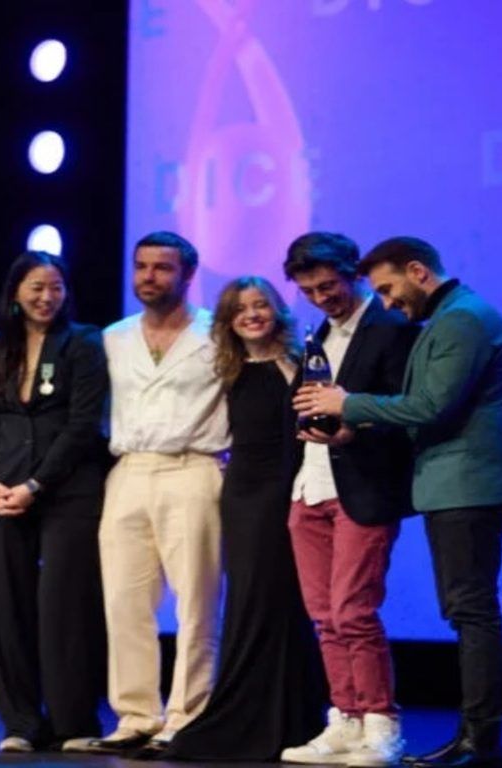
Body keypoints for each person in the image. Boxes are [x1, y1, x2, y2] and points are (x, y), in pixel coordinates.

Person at [295, 236, 502, 768]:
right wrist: (351, 428)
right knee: (466, 609)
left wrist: (349, 403)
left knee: (471, 610)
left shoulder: (463, 320)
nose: (386, 302)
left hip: (470, 481)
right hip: (453, 483)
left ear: (418, 271)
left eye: (387, 289)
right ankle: (474, 738)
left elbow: (430, 406)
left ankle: (481, 742)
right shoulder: (450, 317)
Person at [158, 276, 326, 762]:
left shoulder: (304, 361)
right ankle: (246, 717)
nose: (252, 315)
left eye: (260, 305)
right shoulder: (227, 371)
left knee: (290, 603)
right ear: (229, 321)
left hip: (297, 489)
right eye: (240, 309)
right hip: (250, 497)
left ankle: (296, 718)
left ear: (277, 309)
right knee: (254, 599)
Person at [278, 232, 419, 766]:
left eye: (328, 286)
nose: (321, 298)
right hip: (310, 487)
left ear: (353, 274)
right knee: (324, 616)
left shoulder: (391, 328)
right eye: (309, 291)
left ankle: (381, 724)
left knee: (354, 611)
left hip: (363, 487)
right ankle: (345, 718)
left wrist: (353, 430)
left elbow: (407, 410)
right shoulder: (320, 333)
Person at [90, 231, 229, 758]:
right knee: (124, 600)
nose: (149, 277)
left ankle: (187, 715)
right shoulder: (114, 336)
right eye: (142, 266)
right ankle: (135, 715)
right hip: (129, 470)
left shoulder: (217, 333)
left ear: (188, 274)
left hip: (193, 467)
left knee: (196, 601)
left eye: (162, 268)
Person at [0, 251, 109, 753]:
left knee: (64, 606)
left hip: (67, 489)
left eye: (55, 287)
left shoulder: (84, 342)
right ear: (16, 292)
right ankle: (20, 723)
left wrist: (36, 484)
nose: (47, 297)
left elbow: (83, 425)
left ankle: (74, 721)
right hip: (2, 491)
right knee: (7, 606)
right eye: (36, 287)